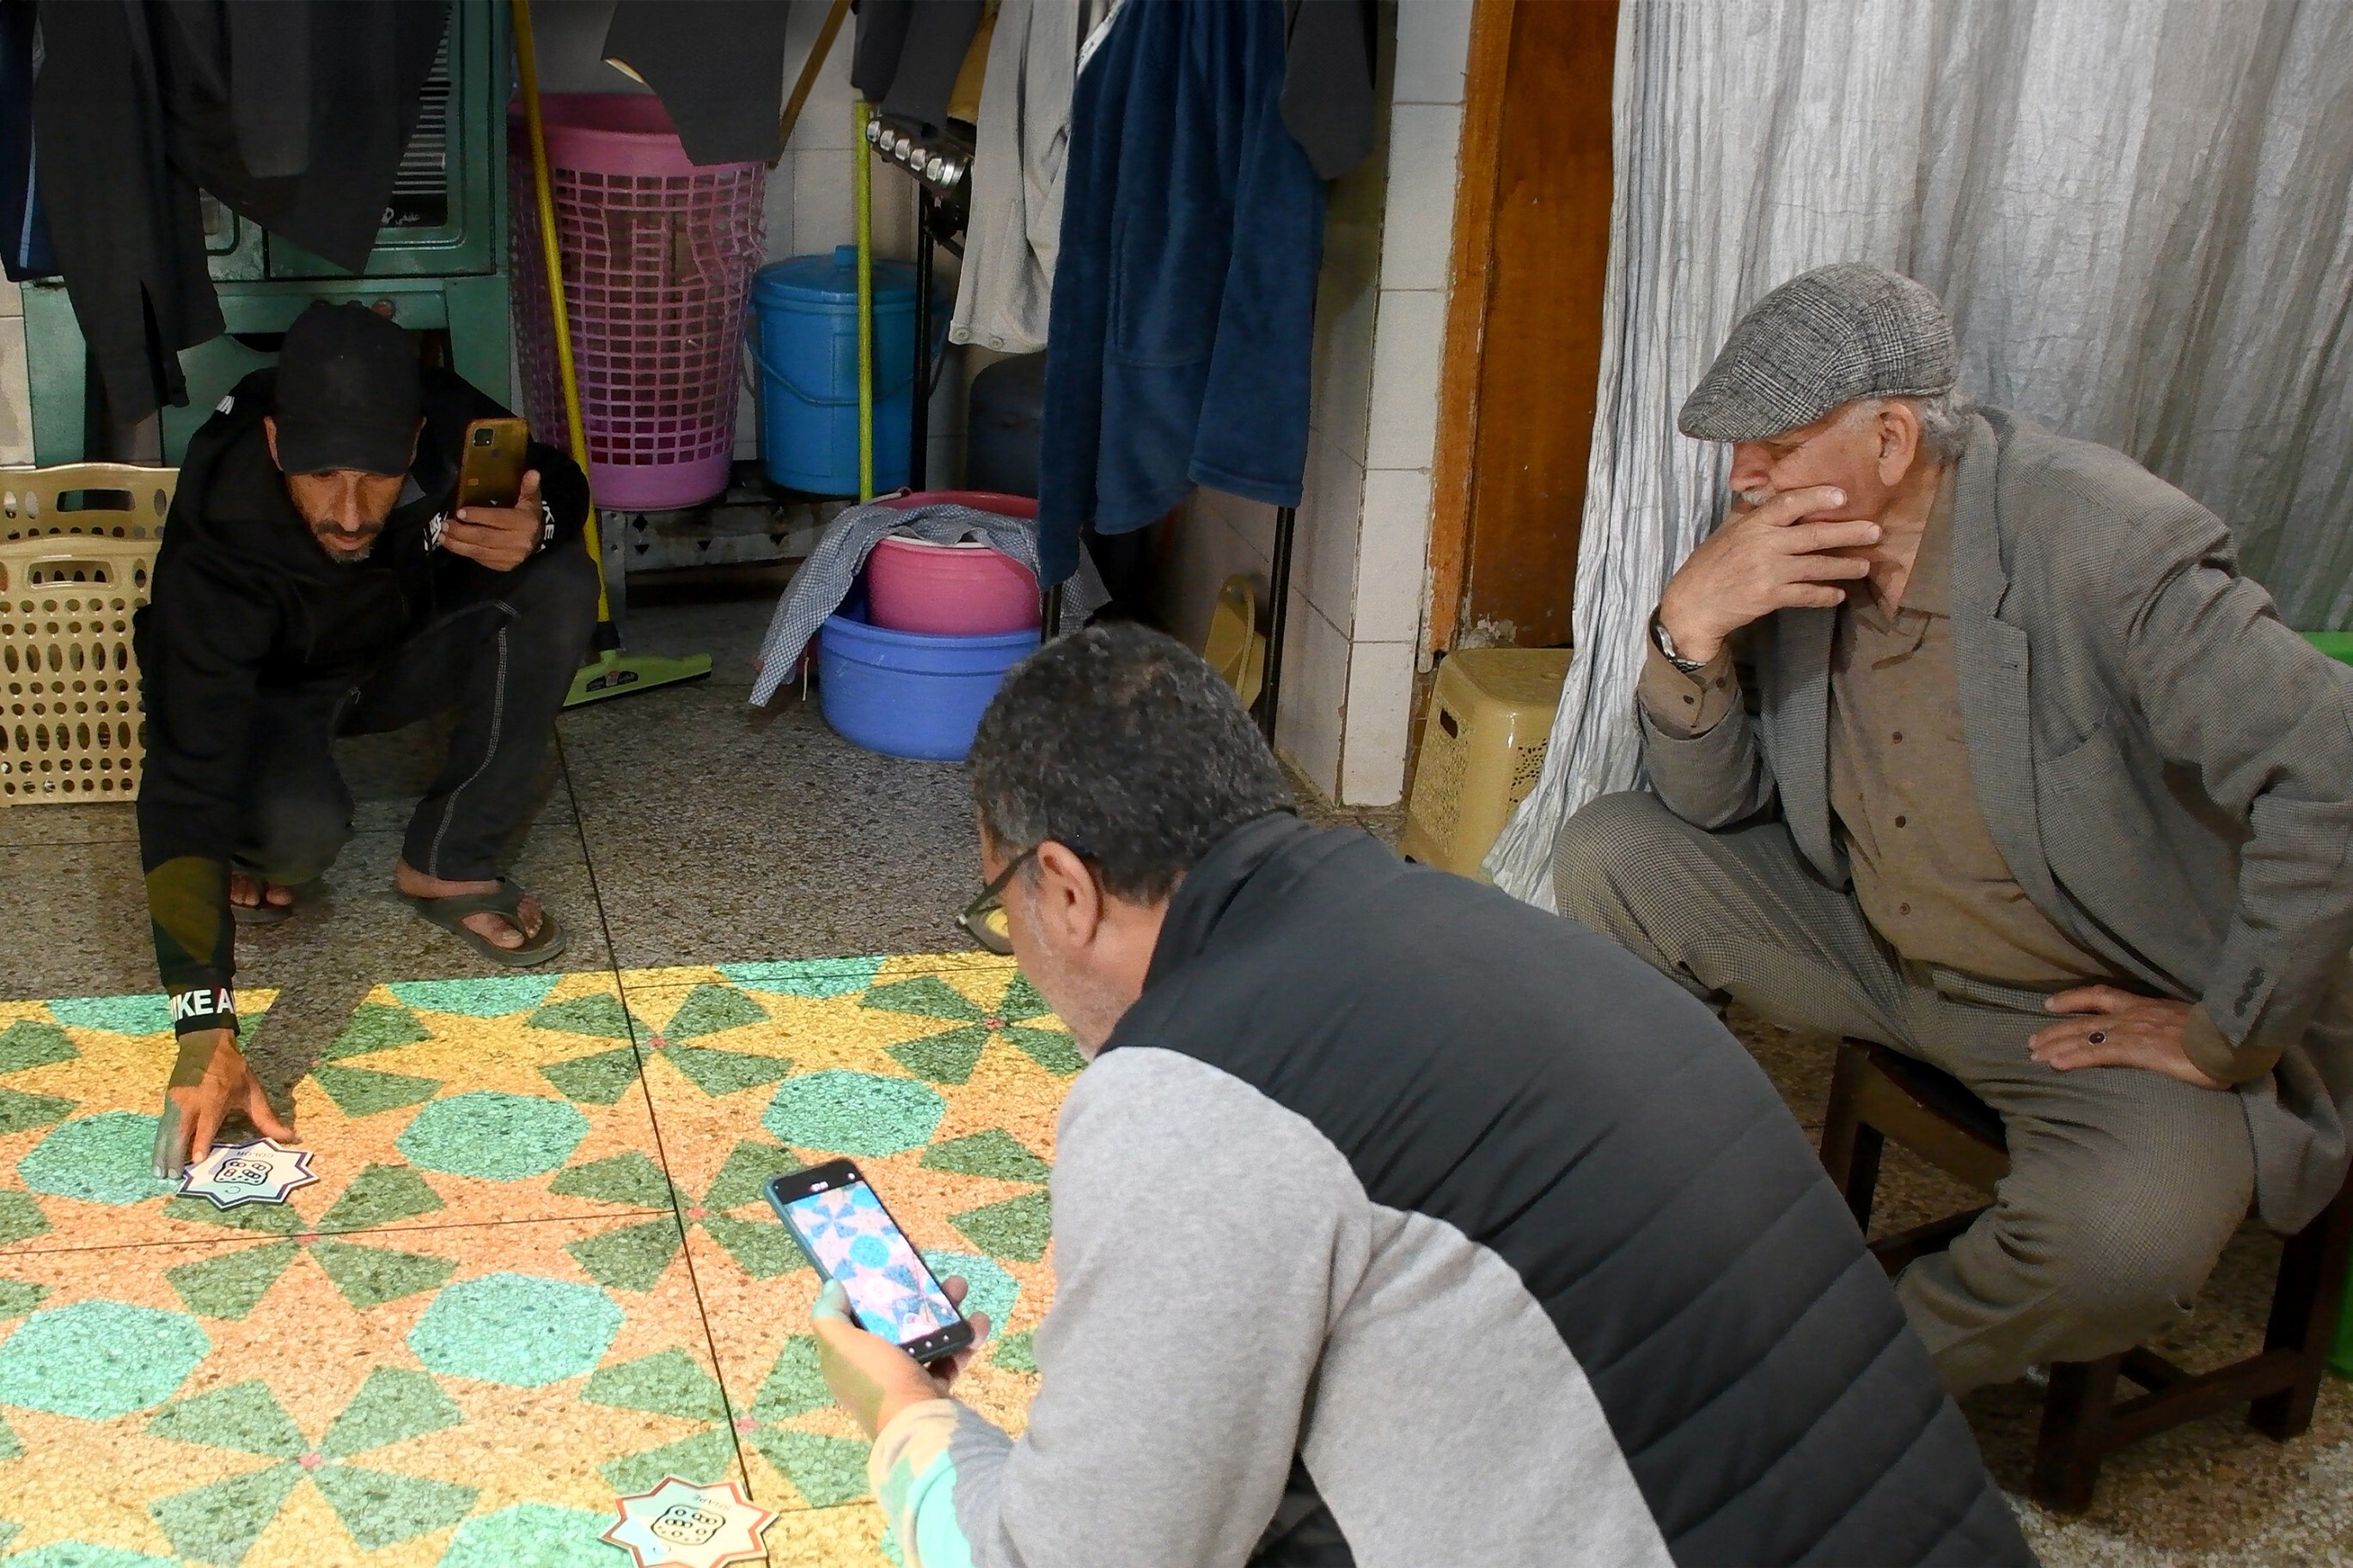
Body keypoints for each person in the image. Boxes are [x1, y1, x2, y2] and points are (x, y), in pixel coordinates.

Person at [808, 625, 2032, 1567]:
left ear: (1062, 888)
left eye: (999, 912)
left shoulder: (1192, 1092)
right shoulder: (1481, 923)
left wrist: (907, 1417)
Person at [1555, 262, 2353, 1395]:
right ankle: (1660, 1241)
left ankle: (1827, 1385)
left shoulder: (2099, 539)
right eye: (1735, 450)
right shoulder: (1795, 537)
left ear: (1887, 440)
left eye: (1773, 444)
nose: (1744, 478)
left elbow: (2329, 773)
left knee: (2121, 1247)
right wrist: (1687, 631)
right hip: (1876, 941)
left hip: (2083, 999)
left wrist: (2224, 1033)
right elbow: (1714, 808)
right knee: (1607, 852)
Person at [137, 301, 598, 1168]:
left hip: (395, 652)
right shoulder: (219, 535)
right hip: (273, 691)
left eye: (377, 477)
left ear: (415, 436)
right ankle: (259, 845)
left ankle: (449, 858)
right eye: (319, 477)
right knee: (294, 842)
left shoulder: (452, 422)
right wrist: (204, 1028)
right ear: (276, 444)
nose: (349, 513)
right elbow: (181, 777)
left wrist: (535, 523)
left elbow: (553, 475)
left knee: (563, 575)